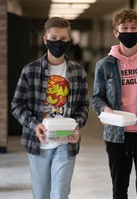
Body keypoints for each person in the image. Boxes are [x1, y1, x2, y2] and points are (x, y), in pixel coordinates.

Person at [92, 9, 137, 199]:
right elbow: (97, 98)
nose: (129, 31)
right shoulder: (104, 65)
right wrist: (106, 110)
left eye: (134, 28)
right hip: (117, 136)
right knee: (119, 189)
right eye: (124, 28)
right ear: (116, 33)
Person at [11, 17, 89, 199]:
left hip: (66, 143)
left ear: (69, 40)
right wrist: (34, 124)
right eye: (53, 38)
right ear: (45, 39)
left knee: (60, 193)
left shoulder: (78, 72)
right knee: (41, 195)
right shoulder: (30, 71)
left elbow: (83, 106)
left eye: (63, 39)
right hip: (38, 143)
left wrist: (77, 124)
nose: (58, 43)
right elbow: (17, 105)